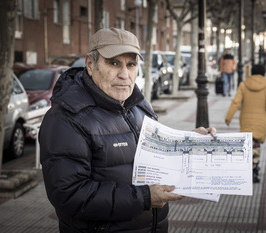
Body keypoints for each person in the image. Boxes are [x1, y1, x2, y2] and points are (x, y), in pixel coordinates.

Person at [38, 27, 216, 233]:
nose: (124, 74)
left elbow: (155, 151)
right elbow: (69, 194)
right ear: (90, 64)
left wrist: (189, 143)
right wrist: (144, 198)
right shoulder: (66, 118)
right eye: (113, 63)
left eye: (131, 64)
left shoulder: (138, 104)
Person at [224, 64, 266, 183]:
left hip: (246, 120)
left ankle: (248, 168)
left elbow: (236, 102)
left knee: (248, 145)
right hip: (261, 121)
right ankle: (255, 170)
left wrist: (228, 117)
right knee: (256, 145)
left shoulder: (244, 84)